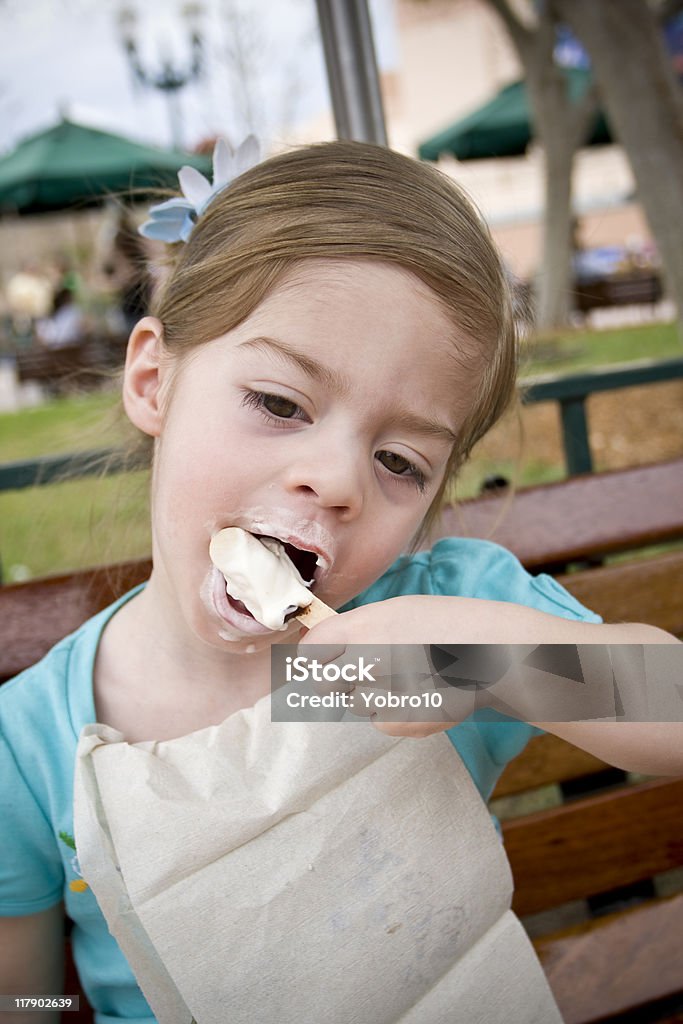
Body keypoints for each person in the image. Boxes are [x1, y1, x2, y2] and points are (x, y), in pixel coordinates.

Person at [0, 139, 680, 1024]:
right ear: (154, 380)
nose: (338, 479)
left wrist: (493, 662)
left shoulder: (426, 624)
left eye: (399, 460)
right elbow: (26, 995)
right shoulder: (35, 742)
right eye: (281, 404)